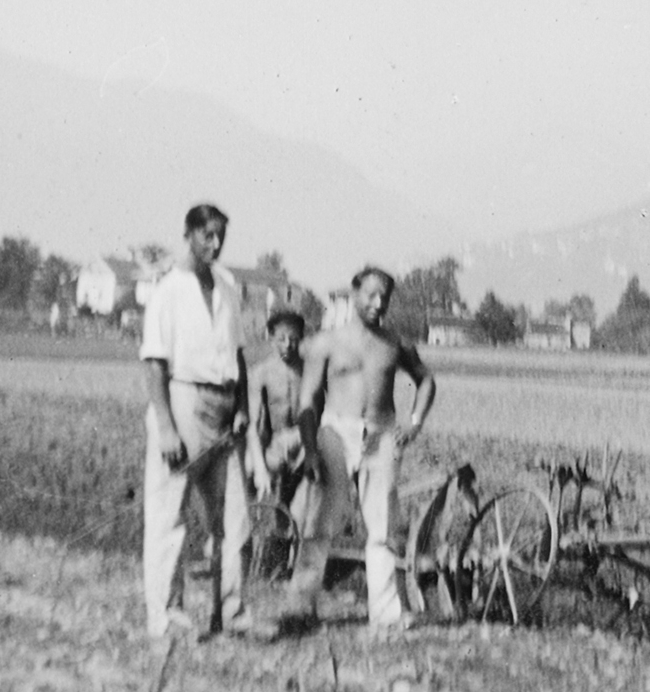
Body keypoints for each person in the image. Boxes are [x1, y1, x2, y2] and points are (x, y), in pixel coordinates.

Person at [292, 266, 436, 633]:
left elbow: (425, 381)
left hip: (381, 435)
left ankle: (385, 615)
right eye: (371, 294)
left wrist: (414, 421)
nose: (378, 303)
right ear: (354, 294)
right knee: (319, 522)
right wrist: (310, 450)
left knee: (383, 527)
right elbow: (307, 401)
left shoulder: (394, 343)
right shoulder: (326, 343)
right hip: (336, 433)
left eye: (384, 297)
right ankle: (301, 606)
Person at [138, 203, 257, 641]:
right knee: (170, 515)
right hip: (184, 400)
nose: (216, 243)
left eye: (221, 235)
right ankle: (166, 615)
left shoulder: (226, 287)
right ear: (188, 235)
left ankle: (232, 613)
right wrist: (167, 427)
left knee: (235, 519)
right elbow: (154, 362)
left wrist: (242, 407)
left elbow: (238, 355)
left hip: (225, 406)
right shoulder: (168, 290)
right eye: (208, 235)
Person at [247, 308, 314, 515]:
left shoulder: (311, 371)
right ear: (271, 338)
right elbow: (252, 425)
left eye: (294, 339)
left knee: (297, 506)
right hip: (273, 445)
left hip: (304, 442)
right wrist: (259, 468)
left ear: (302, 338)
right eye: (281, 339)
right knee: (247, 469)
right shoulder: (261, 373)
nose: (287, 345)